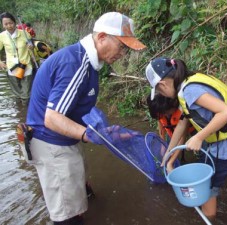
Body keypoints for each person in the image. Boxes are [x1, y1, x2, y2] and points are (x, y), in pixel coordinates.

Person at [25, 12, 146, 225]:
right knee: (67, 216)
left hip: (63, 140)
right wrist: (88, 135)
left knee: (79, 190)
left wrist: (103, 132)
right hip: (51, 144)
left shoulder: (89, 62)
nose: (123, 54)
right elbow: (52, 118)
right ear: (101, 37)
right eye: (122, 46)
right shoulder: (76, 64)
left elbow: (74, 104)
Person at [145, 57, 227, 219]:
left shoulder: (190, 91)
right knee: (211, 175)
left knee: (207, 188)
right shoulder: (188, 83)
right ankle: (216, 190)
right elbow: (182, 123)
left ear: (163, 84)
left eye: (159, 90)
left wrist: (198, 137)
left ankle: (209, 216)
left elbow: (226, 112)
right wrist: (169, 156)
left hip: (226, 146)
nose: (161, 94)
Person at [0, 12, 34, 105]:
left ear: (15, 23)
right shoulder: (2, 36)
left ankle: (25, 113)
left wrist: (31, 47)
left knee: (26, 95)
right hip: (12, 67)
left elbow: (32, 47)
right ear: (2, 25)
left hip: (26, 66)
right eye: (6, 24)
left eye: (10, 23)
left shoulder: (25, 33)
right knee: (17, 94)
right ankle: (20, 113)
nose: (9, 26)